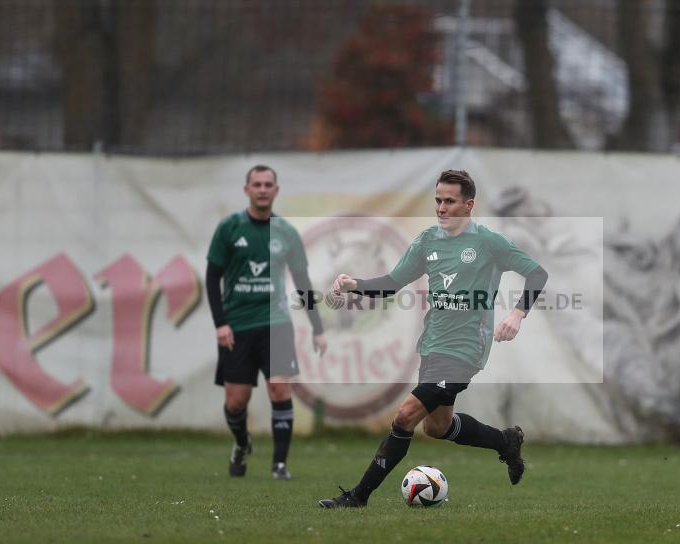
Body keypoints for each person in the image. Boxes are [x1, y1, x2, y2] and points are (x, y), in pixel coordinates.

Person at [318, 169, 548, 508]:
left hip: (467, 348)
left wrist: (517, 313)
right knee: (437, 428)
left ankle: (357, 496)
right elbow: (392, 283)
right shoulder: (427, 241)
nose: (441, 208)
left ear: (469, 205)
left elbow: (537, 273)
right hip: (434, 345)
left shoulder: (488, 242)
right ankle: (505, 442)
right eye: (438, 200)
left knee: (405, 416)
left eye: (450, 201)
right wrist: (356, 285)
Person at [206, 165, 327, 480]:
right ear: (246, 190)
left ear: (276, 190)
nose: (262, 189)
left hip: (276, 323)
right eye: (256, 184)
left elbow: (302, 281)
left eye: (268, 184)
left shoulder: (286, 232)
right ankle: (242, 444)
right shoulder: (229, 228)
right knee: (236, 401)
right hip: (237, 325)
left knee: (279, 388)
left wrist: (318, 327)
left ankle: (280, 465)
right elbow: (211, 277)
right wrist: (220, 323)